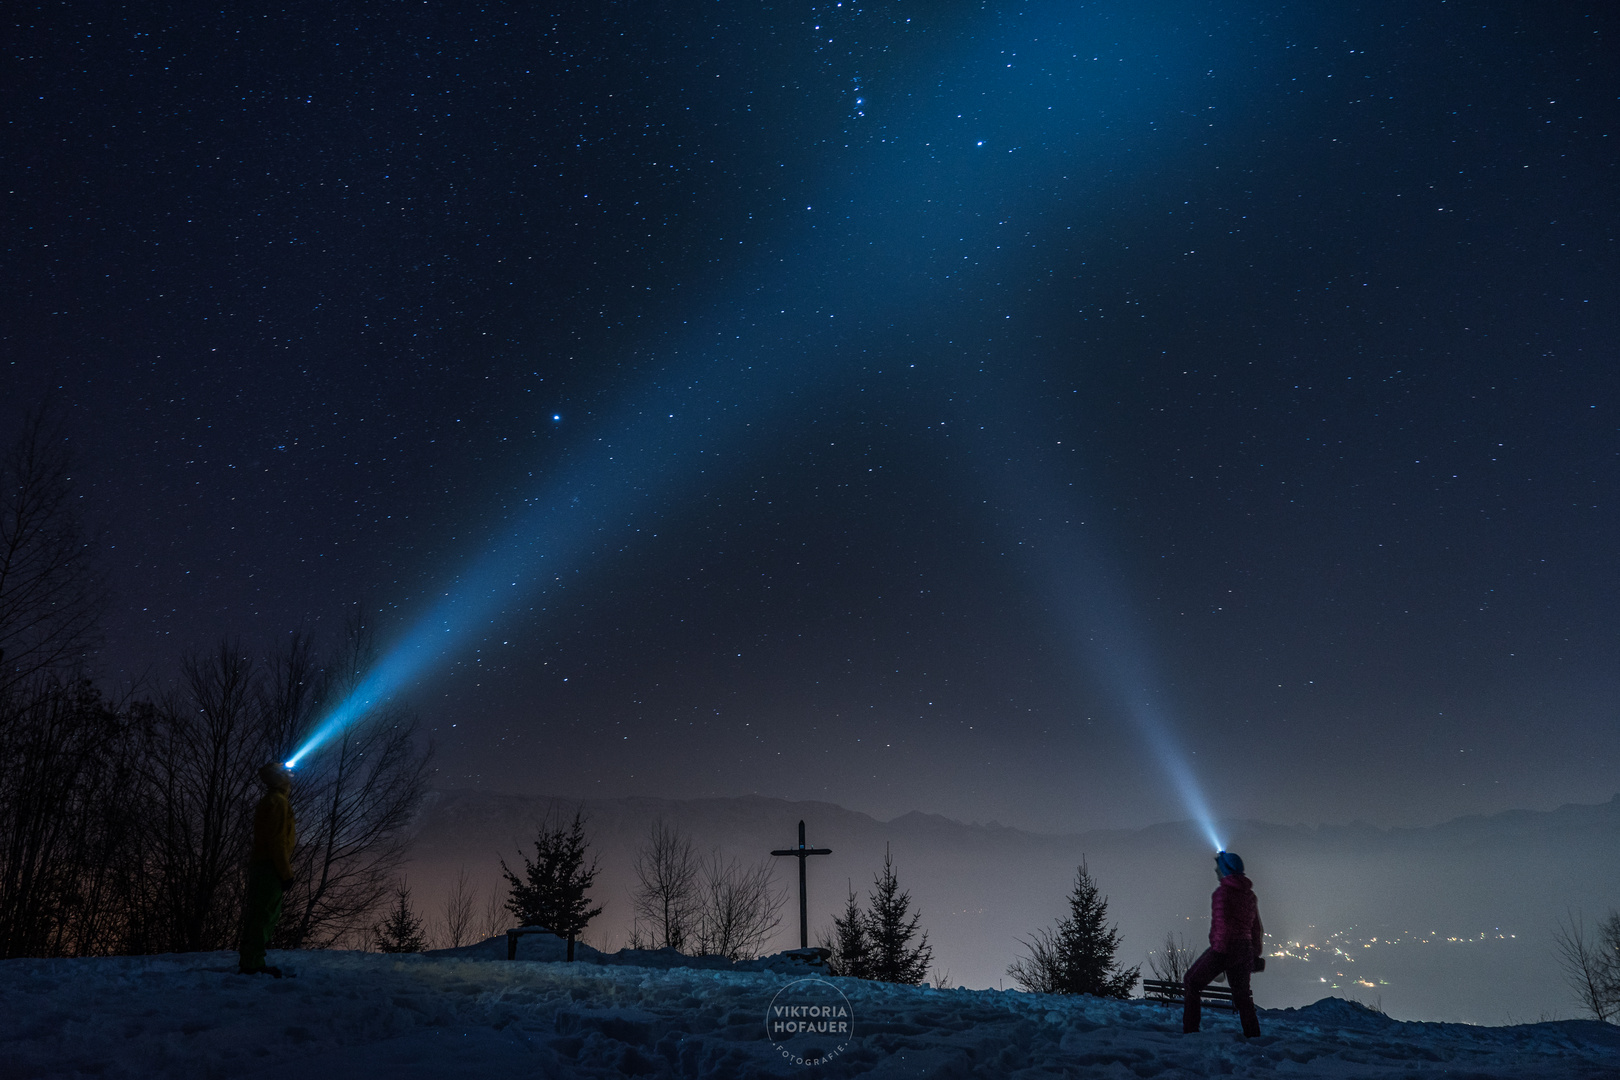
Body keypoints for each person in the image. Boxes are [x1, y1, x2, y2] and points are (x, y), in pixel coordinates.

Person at [1183, 850, 1264, 1038]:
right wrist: (1254, 954)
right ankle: (1253, 1036)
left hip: (1225, 949)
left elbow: (1221, 925)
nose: (1215, 870)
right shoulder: (1249, 895)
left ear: (1226, 869)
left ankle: (1190, 1031)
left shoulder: (1222, 893)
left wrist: (1218, 955)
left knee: (1191, 982)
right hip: (1245, 949)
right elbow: (1256, 928)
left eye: (1218, 866)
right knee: (1242, 997)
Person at [239, 762, 296, 976]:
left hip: (264, 865)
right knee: (264, 915)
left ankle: (251, 961)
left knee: (260, 914)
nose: (291, 776)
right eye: (287, 773)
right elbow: (277, 841)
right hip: (269, 868)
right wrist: (286, 873)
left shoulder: (271, 800)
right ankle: (252, 964)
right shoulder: (277, 803)